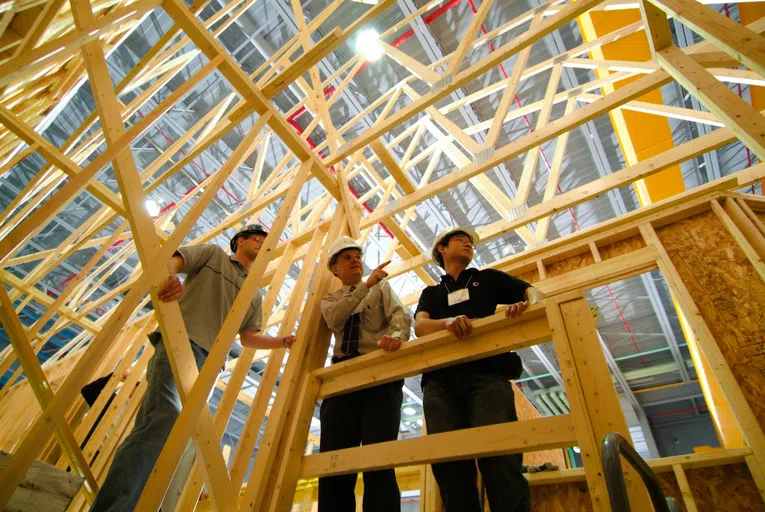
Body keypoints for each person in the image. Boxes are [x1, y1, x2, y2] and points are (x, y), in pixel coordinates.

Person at [91, 224, 295, 512]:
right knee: (162, 419)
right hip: (181, 342)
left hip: (211, 367)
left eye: (267, 242)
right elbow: (175, 260)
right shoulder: (213, 255)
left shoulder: (254, 294)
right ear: (239, 242)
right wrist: (170, 277)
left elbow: (248, 337)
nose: (263, 243)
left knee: (176, 437)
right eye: (256, 238)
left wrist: (281, 342)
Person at [413, 227, 544, 512]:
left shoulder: (488, 279)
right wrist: (447, 323)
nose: (468, 243)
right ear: (442, 250)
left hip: (487, 375)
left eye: (470, 241)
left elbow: (531, 291)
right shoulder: (432, 293)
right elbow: (420, 326)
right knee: (449, 465)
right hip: (440, 382)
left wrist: (527, 307)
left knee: (500, 458)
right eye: (460, 239)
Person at [318, 237, 412, 512]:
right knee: (334, 465)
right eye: (346, 257)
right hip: (342, 383)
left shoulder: (382, 288)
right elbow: (335, 319)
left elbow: (401, 318)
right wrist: (366, 285)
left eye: (357, 255)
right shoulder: (331, 299)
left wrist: (396, 337)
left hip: (379, 378)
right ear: (335, 269)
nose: (355, 260)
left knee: (379, 461)